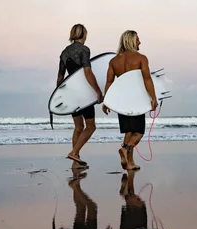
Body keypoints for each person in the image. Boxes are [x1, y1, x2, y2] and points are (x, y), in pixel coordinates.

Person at [102, 30, 157, 171]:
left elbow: (109, 82)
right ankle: (125, 149)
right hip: (135, 99)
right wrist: (153, 98)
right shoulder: (141, 58)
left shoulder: (114, 61)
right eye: (138, 39)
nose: (140, 42)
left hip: (121, 100)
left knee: (129, 131)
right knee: (138, 132)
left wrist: (106, 101)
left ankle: (129, 162)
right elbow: (147, 79)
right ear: (131, 41)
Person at [57, 23, 103, 168]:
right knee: (91, 126)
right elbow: (87, 72)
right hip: (83, 94)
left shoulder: (64, 52)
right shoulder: (84, 50)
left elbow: (60, 77)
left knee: (78, 127)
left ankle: (75, 163)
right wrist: (98, 91)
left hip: (70, 93)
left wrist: (61, 97)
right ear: (84, 34)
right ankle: (74, 152)